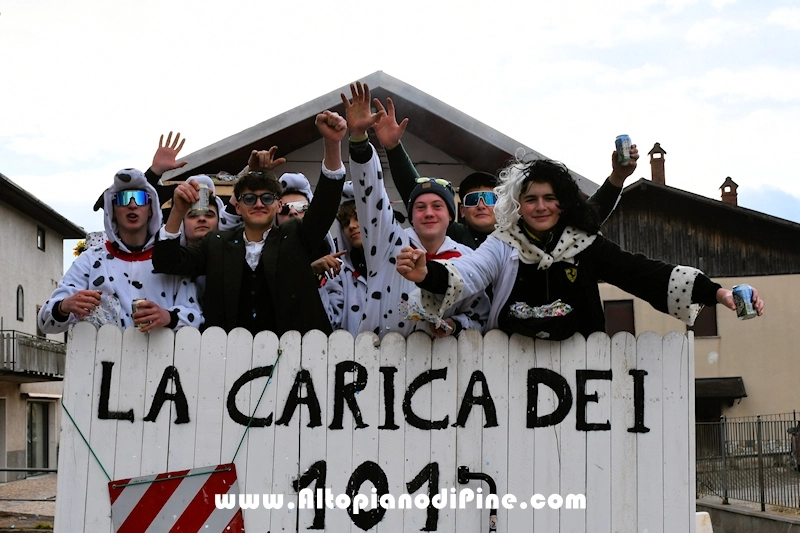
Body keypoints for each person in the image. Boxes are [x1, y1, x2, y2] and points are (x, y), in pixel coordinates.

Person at [396, 157, 765, 340]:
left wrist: (716, 293)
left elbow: (641, 273)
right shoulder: (503, 244)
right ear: (518, 205)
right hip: (509, 372)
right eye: (531, 199)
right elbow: (469, 272)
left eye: (549, 198)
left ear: (564, 203)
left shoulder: (585, 245)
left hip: (583, 374)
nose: (541, 207)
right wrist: (428, 274)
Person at [151, 110, 348, 336]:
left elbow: (324, 208)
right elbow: (167, 262)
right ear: (237, 206)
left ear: (278, 205)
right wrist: (178, 211)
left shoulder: (294, 236)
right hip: (228, 352)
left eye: (267, 198)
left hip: (292, 350)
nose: (259, 204)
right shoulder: (216, 243)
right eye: (249, 199)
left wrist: (332, 144)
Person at [371, 97, 639, 250]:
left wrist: (617, 178)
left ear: (504, 205)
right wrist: (393, 147)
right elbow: (419, 194)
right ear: (460, 211)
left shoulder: (524, 235)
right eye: (472, 200)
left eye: (489, 199)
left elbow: (586, 218)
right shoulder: (453, 236)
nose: (481, 205)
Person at [339, 82, 489, 338]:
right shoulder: (388, 244)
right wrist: (360, 140)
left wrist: (455, 325)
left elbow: (480, 316)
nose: (428, 213)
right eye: (420, 207)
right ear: (410, 215)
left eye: (437, 206)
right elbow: (370, 196)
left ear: (451, 216)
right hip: (377, 355)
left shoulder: (467, 258)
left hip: (443, 361)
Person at [38, 169, 202, 334]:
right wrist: (63, 306)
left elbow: (195, 317)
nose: (132, 205)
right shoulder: (90, 260)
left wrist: (168, 317)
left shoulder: (171, 259)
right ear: (113, 210)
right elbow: (45, 324)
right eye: (123, 199)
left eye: (140, 198)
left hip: (160, 351)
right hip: (104, 351)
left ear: (151, 209)